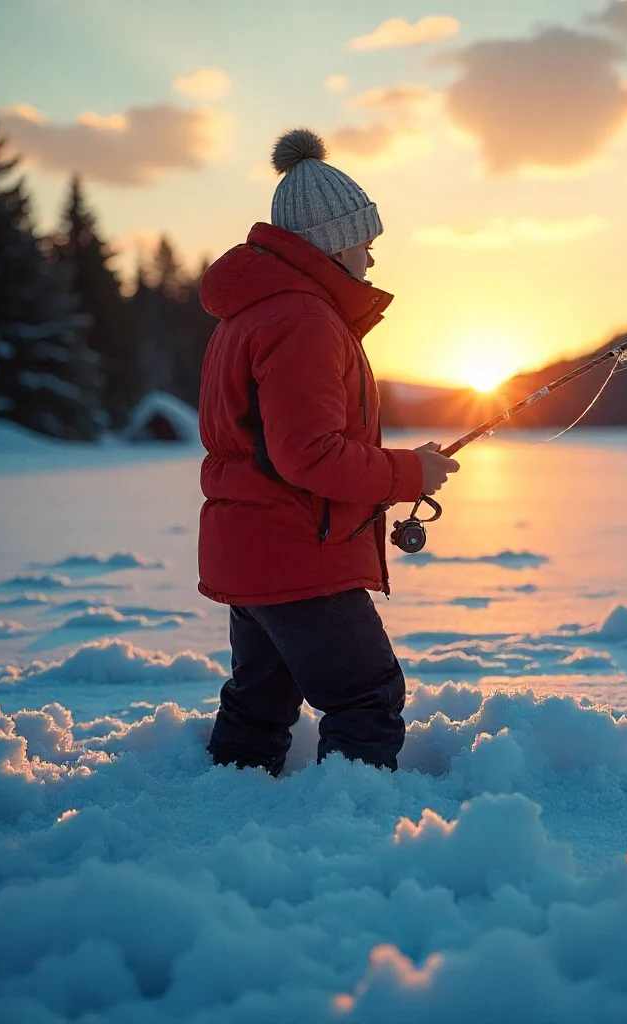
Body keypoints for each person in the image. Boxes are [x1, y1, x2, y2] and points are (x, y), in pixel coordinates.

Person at [198, 127, 459, 775]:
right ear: (334, 242)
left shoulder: (254, 313)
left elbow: (283, 442)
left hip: (254, 551)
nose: (371, 262)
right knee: (368, 696)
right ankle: (356, 834)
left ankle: (224, 810)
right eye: (366, 246)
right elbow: (308, 455)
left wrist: (403, 465)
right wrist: (408, 473)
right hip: (298, 555)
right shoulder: (304, 320)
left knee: (260, 702)